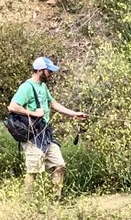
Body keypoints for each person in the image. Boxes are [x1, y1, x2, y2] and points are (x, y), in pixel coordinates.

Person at [7, 57, 86, 197]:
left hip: (46, 134)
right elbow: (12, 106)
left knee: (60, 165)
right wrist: (33, 113)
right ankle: (27, 203)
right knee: (33, 172)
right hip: (33, 136)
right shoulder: (26, 87)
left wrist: (74, 114)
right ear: (40, 70)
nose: (51, 73)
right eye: (48, 71)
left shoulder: (43, 86)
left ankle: (56, 198)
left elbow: (53, 104)